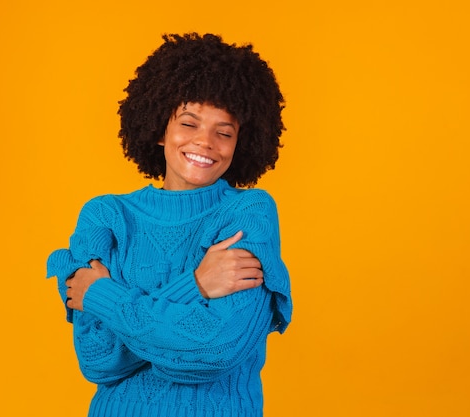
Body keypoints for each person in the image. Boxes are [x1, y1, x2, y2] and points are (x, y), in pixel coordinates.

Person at [46, 32, 292, 417]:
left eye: (224, 132)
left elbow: (215, 350)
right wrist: (195, 285)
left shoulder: (248, 213)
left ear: (240, 142)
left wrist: (103, 296)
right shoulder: (106, 217)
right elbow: (98, 360)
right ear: (160, 128)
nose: (205, 142)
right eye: (189, 123)